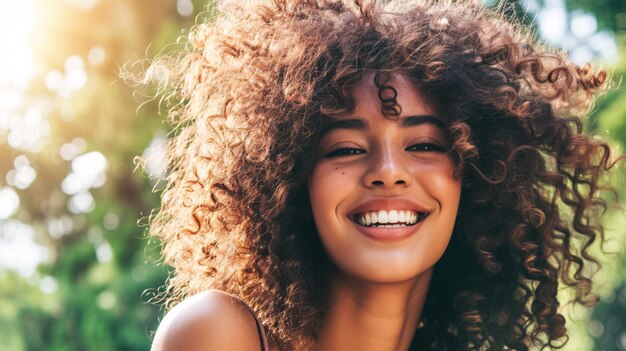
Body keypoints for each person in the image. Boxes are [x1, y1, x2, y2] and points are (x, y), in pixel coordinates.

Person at [146, 0, 621, 349]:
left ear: (477, 178)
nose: (389, 172)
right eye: (347, 148)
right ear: (293, 182)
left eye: (425, 145)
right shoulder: (218, 335)